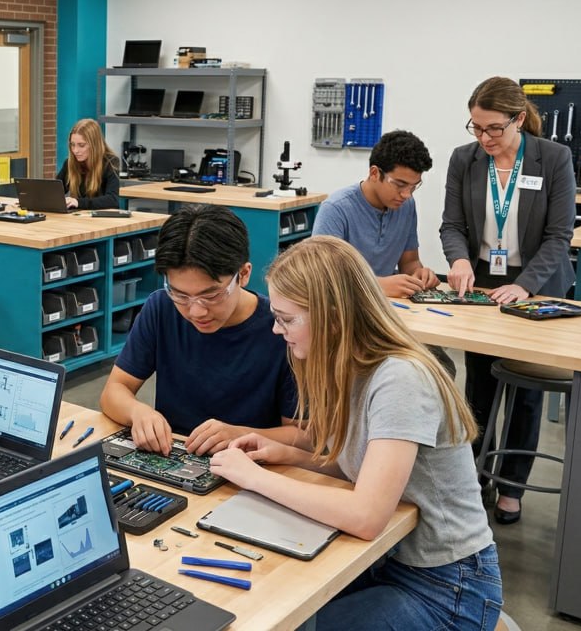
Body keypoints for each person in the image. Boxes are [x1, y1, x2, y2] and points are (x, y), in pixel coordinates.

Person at [210, 236, 501, 629]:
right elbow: (363, 464)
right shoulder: (349, 363)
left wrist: (254, 478)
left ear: (332, 316)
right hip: (391, 561)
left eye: (287, 318)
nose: (278, 331)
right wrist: (292, 455)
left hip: (448, 586)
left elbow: (366, 515)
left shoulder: (400, 378)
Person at [441, 76, 576, 525]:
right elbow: (452, 225)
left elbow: (559, 236)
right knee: (479, 384)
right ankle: (472, 477)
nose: (484, 138)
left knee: (525, 389)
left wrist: (528, 285)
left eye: (493, 129)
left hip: (536, 284)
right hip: (480, 284)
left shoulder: (554, 158)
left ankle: (512, 486)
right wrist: (459, 261)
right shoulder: (465, 159)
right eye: (476, 128)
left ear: (519, 119)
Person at [99, 204, 299, 456]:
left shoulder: (282, 330)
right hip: (174, 459)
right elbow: (114, 391)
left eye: (212, 295)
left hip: (251, 466)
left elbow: (302, 435)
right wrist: (138, 412)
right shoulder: (161, 308)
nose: (196, 312)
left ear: (244, 274)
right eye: (180, 294)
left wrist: (240, 433)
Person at [313, 130, 440, 298]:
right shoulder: (336, 209)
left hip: (386, 307)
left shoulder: (406, 205)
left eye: (414, 186)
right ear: (374, 173)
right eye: (400, 184)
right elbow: (322, 277)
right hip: (341, 309)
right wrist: (377, 286)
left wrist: (419, 275)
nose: (407, 194)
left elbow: (409, 262)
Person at [57, 118, 121, 210]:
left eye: (81, 145)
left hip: (103, 220)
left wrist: (78, 202)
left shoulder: (110, 163)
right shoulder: (69, 163)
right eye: (72, 144)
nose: (75, 150)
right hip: (79, 219)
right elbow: (54, 193)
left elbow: (112, 200)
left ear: (94, 145)